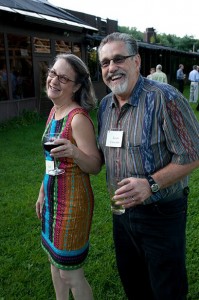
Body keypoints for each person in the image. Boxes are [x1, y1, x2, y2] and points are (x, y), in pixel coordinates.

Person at [97, 32, 199, 300]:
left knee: (167, 289)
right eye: (105, 63)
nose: (111, 68)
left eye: (119, 59)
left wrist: (151, 184)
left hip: (161, 212)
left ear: (137, 61)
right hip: (120, 212)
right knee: (134, 284)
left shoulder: (166, 98)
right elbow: (100, 155)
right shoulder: (105, 106)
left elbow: (194, 153)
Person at [36, 53, 102, 300]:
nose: (54, 80)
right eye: (53, 73)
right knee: (55, 263)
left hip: (73, 204)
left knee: (71, 274)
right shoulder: (54, 110)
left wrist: (74, 151)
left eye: (63, 78)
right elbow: (49, 160)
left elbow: (95, 165)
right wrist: (42, 192)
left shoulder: (78, 119)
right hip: (52, 199)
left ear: (75, 86)